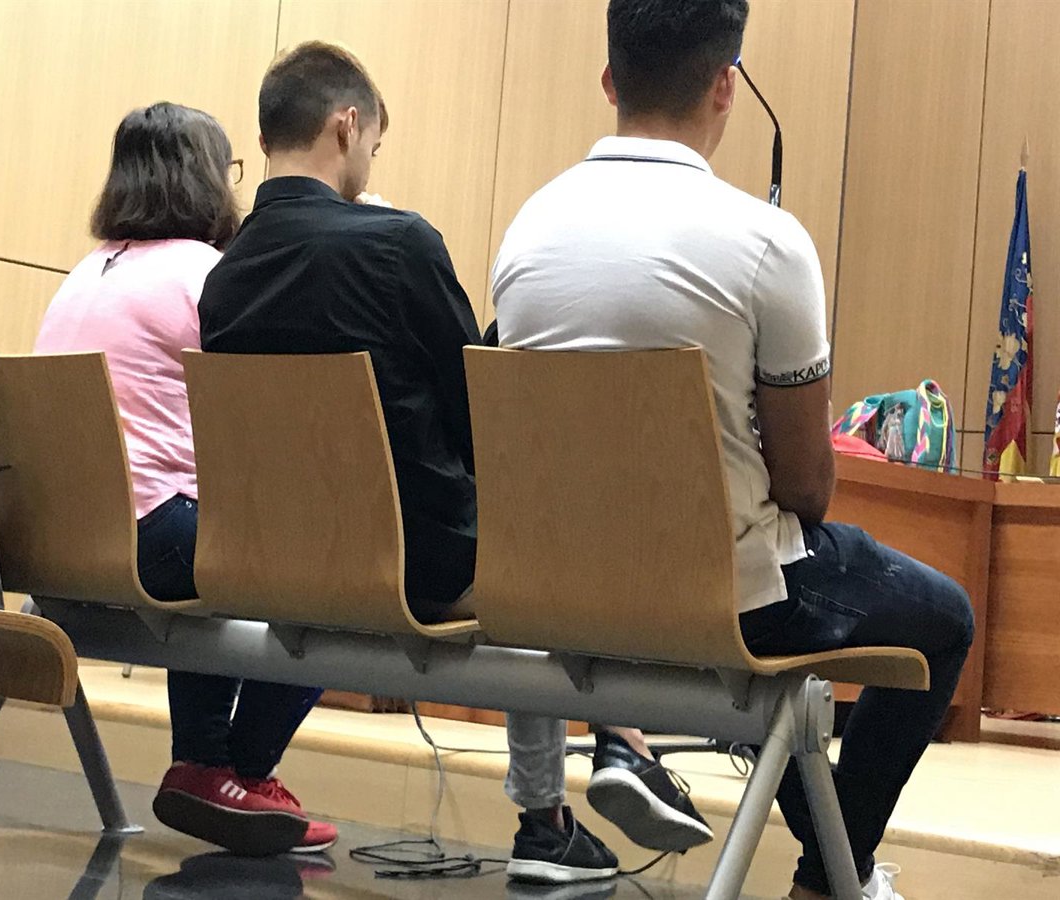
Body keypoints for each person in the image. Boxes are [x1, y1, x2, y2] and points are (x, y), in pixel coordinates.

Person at [491, 2, 976, 899]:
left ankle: (837, 866)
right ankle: (831, 878)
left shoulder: (525, 233)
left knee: (766, 630)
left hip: (559, 594)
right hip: (723, 602)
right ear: (726, 85)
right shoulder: (766, 242)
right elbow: (807, 486)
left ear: (610, 80)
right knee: (944, 617)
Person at [198, 40, 711, 886]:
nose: (369, 161)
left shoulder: (222, 277)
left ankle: (589, 781)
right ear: (347, 125)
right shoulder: (397, 244)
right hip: (422, 563)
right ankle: (599, 766)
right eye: (373, 145)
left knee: (525, 545)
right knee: (556, 547)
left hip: (273, 559)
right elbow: (481, 418)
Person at [34, 102, 336, 857]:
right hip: (148, 539)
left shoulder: (85, 272)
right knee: (336, 571)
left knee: (208, 536)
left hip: (57, 544)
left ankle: (207, 766)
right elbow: (263, 413)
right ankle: (236, 768)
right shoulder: (205, 275)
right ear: (207, 178)